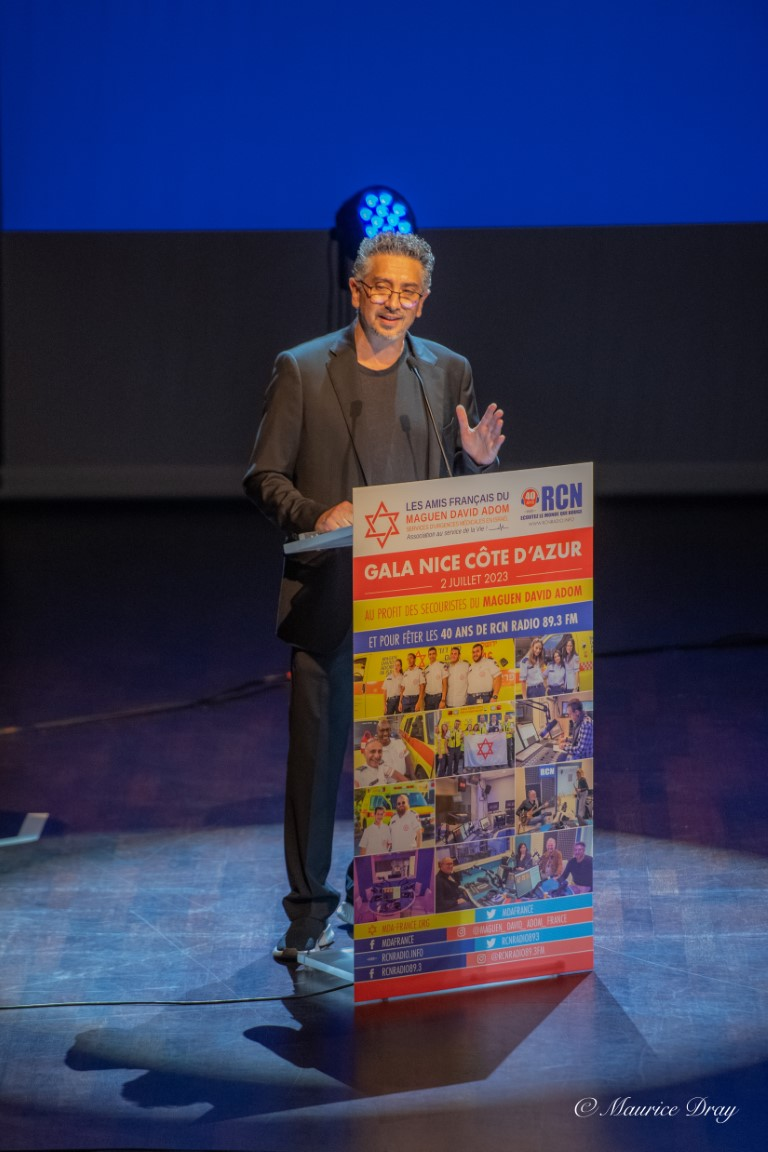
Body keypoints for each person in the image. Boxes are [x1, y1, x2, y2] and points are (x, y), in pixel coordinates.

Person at [244, 230, 504, 960]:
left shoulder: (448, 371)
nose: (393, 302)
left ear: (424, 302)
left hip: (418, 604)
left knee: (408, 762)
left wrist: (479, 467)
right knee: (317, 764)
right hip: (332, 596)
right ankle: (308, 910)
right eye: (381, 287)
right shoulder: (302, 369)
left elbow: (461, 494)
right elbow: (264, 476)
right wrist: (314, 513)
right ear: (356, 289)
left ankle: (389, 896)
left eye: (407, 292)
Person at [423, 647, 448, 712]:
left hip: (438, 698)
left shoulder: (442, 665)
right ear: (428, 656)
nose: (432, 656)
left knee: (439, 717)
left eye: (433, 654)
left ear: (436, 654)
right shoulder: (426, 669)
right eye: (430, 654)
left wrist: (443, 700)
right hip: (428, 698)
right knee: (428, 717)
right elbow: (425, 685)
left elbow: (445, 684)